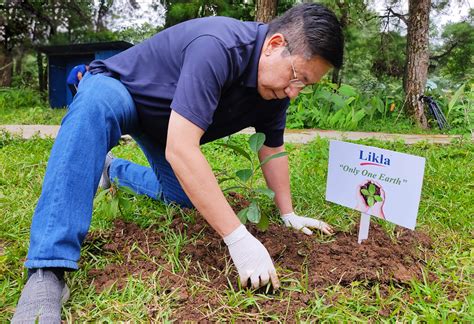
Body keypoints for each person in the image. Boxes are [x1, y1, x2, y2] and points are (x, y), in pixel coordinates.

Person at [12, 3, 343, 322]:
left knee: (189, 198)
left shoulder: (274, 91)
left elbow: (271, 147)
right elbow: (183, 148)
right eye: (297, 77)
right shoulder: (219, 46)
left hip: (166, 128)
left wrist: (288, 214)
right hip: (123, 92)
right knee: (94, 103)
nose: (295, 92)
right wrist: (239, 239)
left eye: (305, 86)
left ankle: (111, 169)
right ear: (274, 44)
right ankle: (47, 269)